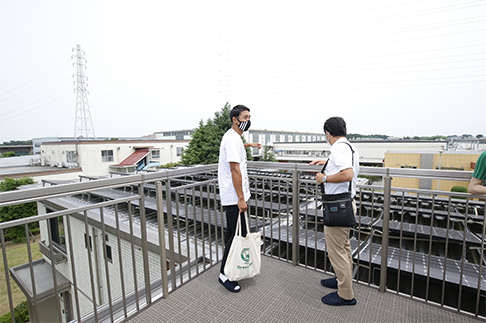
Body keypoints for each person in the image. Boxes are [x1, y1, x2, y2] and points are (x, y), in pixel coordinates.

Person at [310, 116, 359, 306]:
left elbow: (347, 173)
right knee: (344, 248)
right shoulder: (349, 147)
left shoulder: (338, 148)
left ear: (328, 133)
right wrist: (325, 162)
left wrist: (324, 178)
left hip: (338, 205)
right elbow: (342, 165)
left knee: (336, 251)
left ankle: (346, 295)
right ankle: (342, 280)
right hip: (345, 204)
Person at [217, 105, 261, 292]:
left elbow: (235, 150)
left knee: (232, 234)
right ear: (235, 119)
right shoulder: (232, 138)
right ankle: (224, 274)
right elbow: (235, 170)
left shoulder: (233, 137)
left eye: (249, 116)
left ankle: (229, 269)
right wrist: (241, 198)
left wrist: (248, 146)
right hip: (235, 197)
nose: (248, 120)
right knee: (235, 236)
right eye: (245, 117)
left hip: (235, 196)